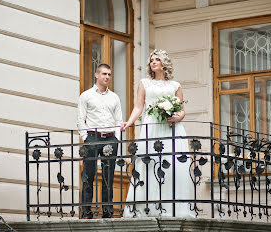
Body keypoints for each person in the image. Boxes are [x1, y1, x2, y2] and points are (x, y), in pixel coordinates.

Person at [120, 49, 195, 218]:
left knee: (172, 165)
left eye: (157, 59)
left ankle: (172, 208)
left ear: (164, 63)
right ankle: (145, 208)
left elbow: (182, 111)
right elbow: (139, 107)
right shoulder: (144, 83)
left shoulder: (175, 86)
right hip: (151, 126)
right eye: (151, 60)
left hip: (170, 128)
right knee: (148, 163)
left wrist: (176, 117)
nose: (153, 62)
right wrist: (129, 122)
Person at [77, 63, 123, 219]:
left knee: (108, 176)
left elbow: (119, 120)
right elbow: (80, 119)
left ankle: (107, 212)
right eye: (104, 74)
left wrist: (116, 139)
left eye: (109, 74)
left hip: (110, 138)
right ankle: (87, 212)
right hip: (92, 137)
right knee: (88, 176)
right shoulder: (86, 95)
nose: (107, 77)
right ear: (96, 75)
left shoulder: (115, 97)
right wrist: (86, 137)